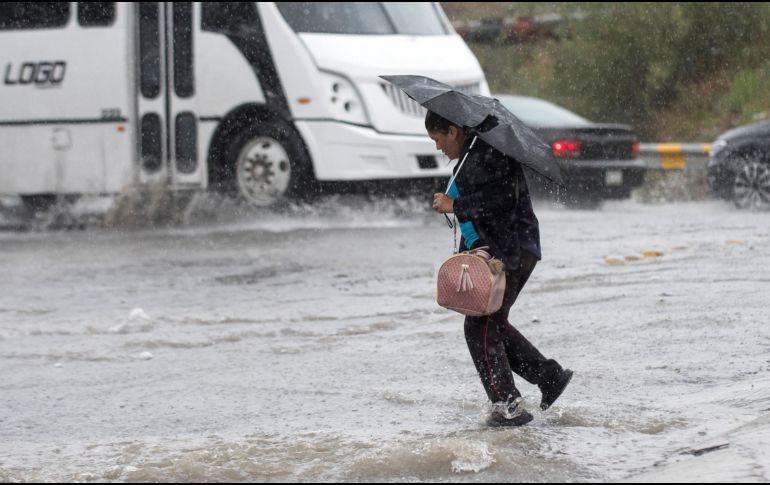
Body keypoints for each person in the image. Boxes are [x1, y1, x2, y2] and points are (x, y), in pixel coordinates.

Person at [426, 109, 573, 427]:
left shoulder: (485, 152)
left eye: (437, 139)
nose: (438, 147)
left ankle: (508, 407)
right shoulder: (473, 154)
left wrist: (457, 205)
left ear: (452, 130)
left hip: (511, 251)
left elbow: (502, 199)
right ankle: (548, 376)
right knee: (492, 325)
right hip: (508, 249)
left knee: (480, 327)